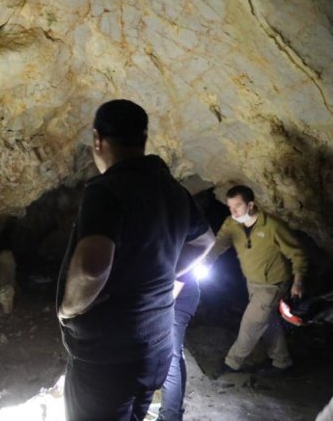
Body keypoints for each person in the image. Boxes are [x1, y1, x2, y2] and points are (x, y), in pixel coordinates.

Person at [56, 99, 214, 421]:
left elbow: (91, 266)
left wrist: (69, 308)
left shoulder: (108, 189)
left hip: (108, 356)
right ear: (143, 139)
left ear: (98, 140)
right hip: (155, 345)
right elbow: (204, 241)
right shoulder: (172, 189)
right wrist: (166, 272)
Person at [206, 185, 308, 376]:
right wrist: (206, 262)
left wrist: (298, 281)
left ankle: (231, 364)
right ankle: (282, 362)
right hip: (252, 282)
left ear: (250, 204)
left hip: (272, 285)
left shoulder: (272, 226)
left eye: (237, 206)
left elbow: (297, 254)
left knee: (250, 325)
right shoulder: (232, 223)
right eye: (230, 207)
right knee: (267, 321)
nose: (233, 211)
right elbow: (219, 244)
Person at [156, 270, 200, 421]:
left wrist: (156, 310)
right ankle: (173, 413)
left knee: (168, 360)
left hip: (177, 296)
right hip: (182, 294)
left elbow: (182, 275)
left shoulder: (175, 250)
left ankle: (169, 416)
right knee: (175, 354)